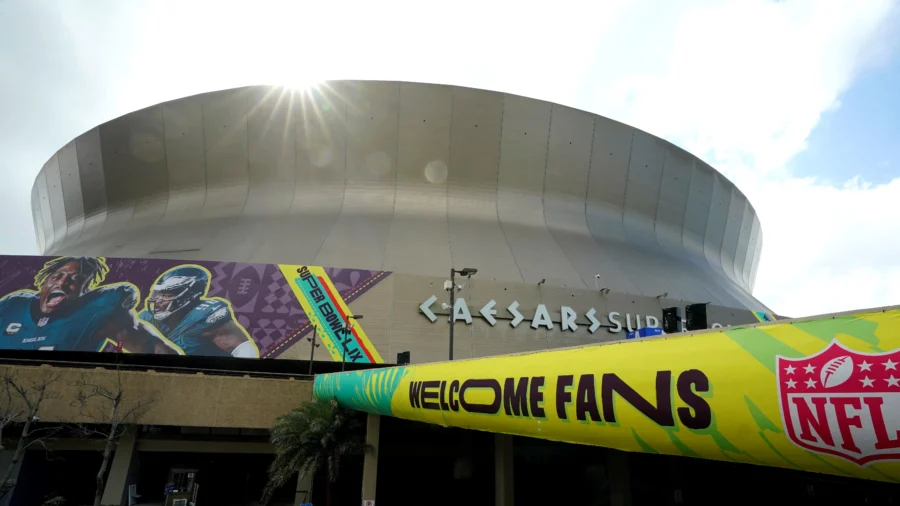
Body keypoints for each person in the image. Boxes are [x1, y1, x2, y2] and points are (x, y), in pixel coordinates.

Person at [0, 256, 182, 354]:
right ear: (44, 281)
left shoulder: (99, 310)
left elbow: (152, 347)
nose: (61, 283)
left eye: (74, 280)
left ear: (84, 290)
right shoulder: (13, 304)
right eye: (56, 276)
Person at [138, 265, 259, 358]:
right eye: (158, 294)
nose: (158, 300)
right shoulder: (147, 317)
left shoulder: (204, 316)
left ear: (189, 295)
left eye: (166, 295)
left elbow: (242, 349)